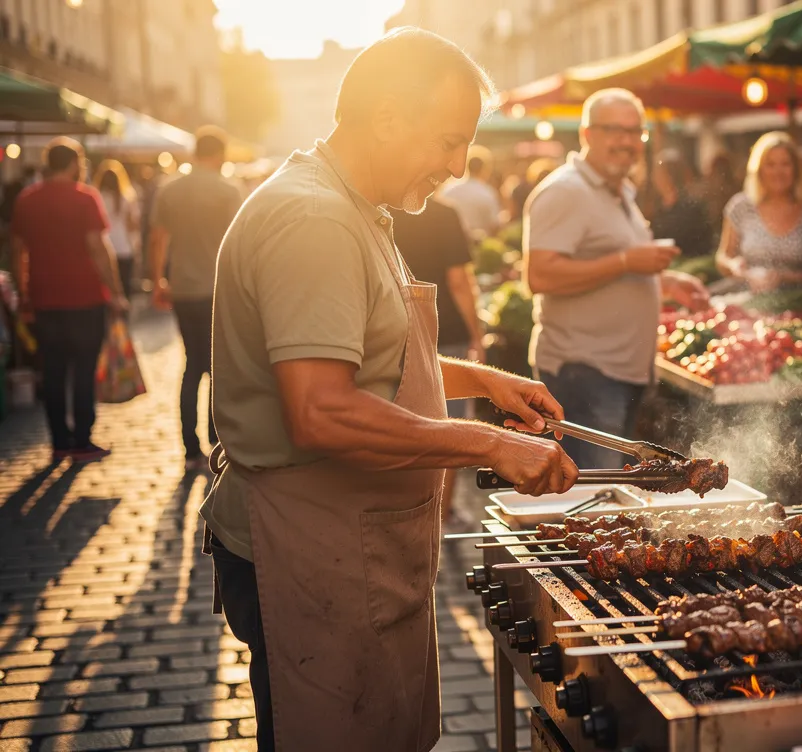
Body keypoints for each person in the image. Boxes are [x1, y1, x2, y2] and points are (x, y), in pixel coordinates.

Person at [201, 28, 578, 752]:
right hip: (306, 553)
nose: (458, 166)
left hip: (352, 548)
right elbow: (320, 410)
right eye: (447, 141)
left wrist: (486, 383)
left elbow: (375, 359)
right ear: (385, 118)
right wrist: (487, 444)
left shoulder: (353, 206)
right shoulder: (313, 219)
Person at [525, 88, 709, 469]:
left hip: (617, 373)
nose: (626, 142)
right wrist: (626, 261)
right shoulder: (566, 190)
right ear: (587, 134)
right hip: (584, 373)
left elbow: (612, 267)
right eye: (614, 130)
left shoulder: (619, 190)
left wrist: (666, 282)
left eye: (634, 132)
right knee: (590, 498)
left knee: (608, 497)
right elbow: (540, 275)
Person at [10, 137, 129, 462]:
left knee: (53, 370)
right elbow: (98, 248)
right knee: (83, 369)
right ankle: (81, 440)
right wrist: (116, 292)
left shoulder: (27, 199)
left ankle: (60, 441)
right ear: (75, 163)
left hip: (44, 297)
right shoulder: (85, 198)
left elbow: (18, 250)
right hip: (85, 296)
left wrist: (23, 294)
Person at [149, 126, 245, 468]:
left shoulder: (171, 189)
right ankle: (217, 442)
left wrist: (159, 280)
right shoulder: (228, 190)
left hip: (183, 289)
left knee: (192, 363)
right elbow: (241, 243)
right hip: (219, 289)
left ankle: (189, 448)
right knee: (219, 366)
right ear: (219, 155)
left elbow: (158, 238)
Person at [391, 194, 484, 532]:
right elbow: (459, 281)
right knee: (449, 427)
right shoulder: (445, 213)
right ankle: (441, 515)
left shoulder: (380, 211)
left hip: (395, 329)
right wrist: (477, 333)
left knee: (404, 422)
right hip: (445, 330)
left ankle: (407, 511)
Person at [716, 131, 802, 292]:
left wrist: (784, 277)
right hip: (747, 296)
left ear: (796, 169)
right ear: (759, 169)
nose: (778, 172)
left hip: (801, 300)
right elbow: (723, 257)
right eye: (770, 164)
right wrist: (733, 265)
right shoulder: (740, 206)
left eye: (785, 164)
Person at [649, 148, 713, 258]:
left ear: (671, 175)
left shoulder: (692, 208)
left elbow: (703, 247)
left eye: (660, 173)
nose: (655, 179)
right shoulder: (658, 208)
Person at [93, 159, 142, 298]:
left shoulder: (96, 197)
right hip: (124, 248)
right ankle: (123, 316)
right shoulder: (127, 197)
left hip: (103, 247)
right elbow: (133, 225)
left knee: (105, 287)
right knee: (124, 286)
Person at [440, 144, 501, 238]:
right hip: (481, 244)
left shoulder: (449, 189)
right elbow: (494, 225)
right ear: (484, 169)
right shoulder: (487, 192)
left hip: (450, 240)